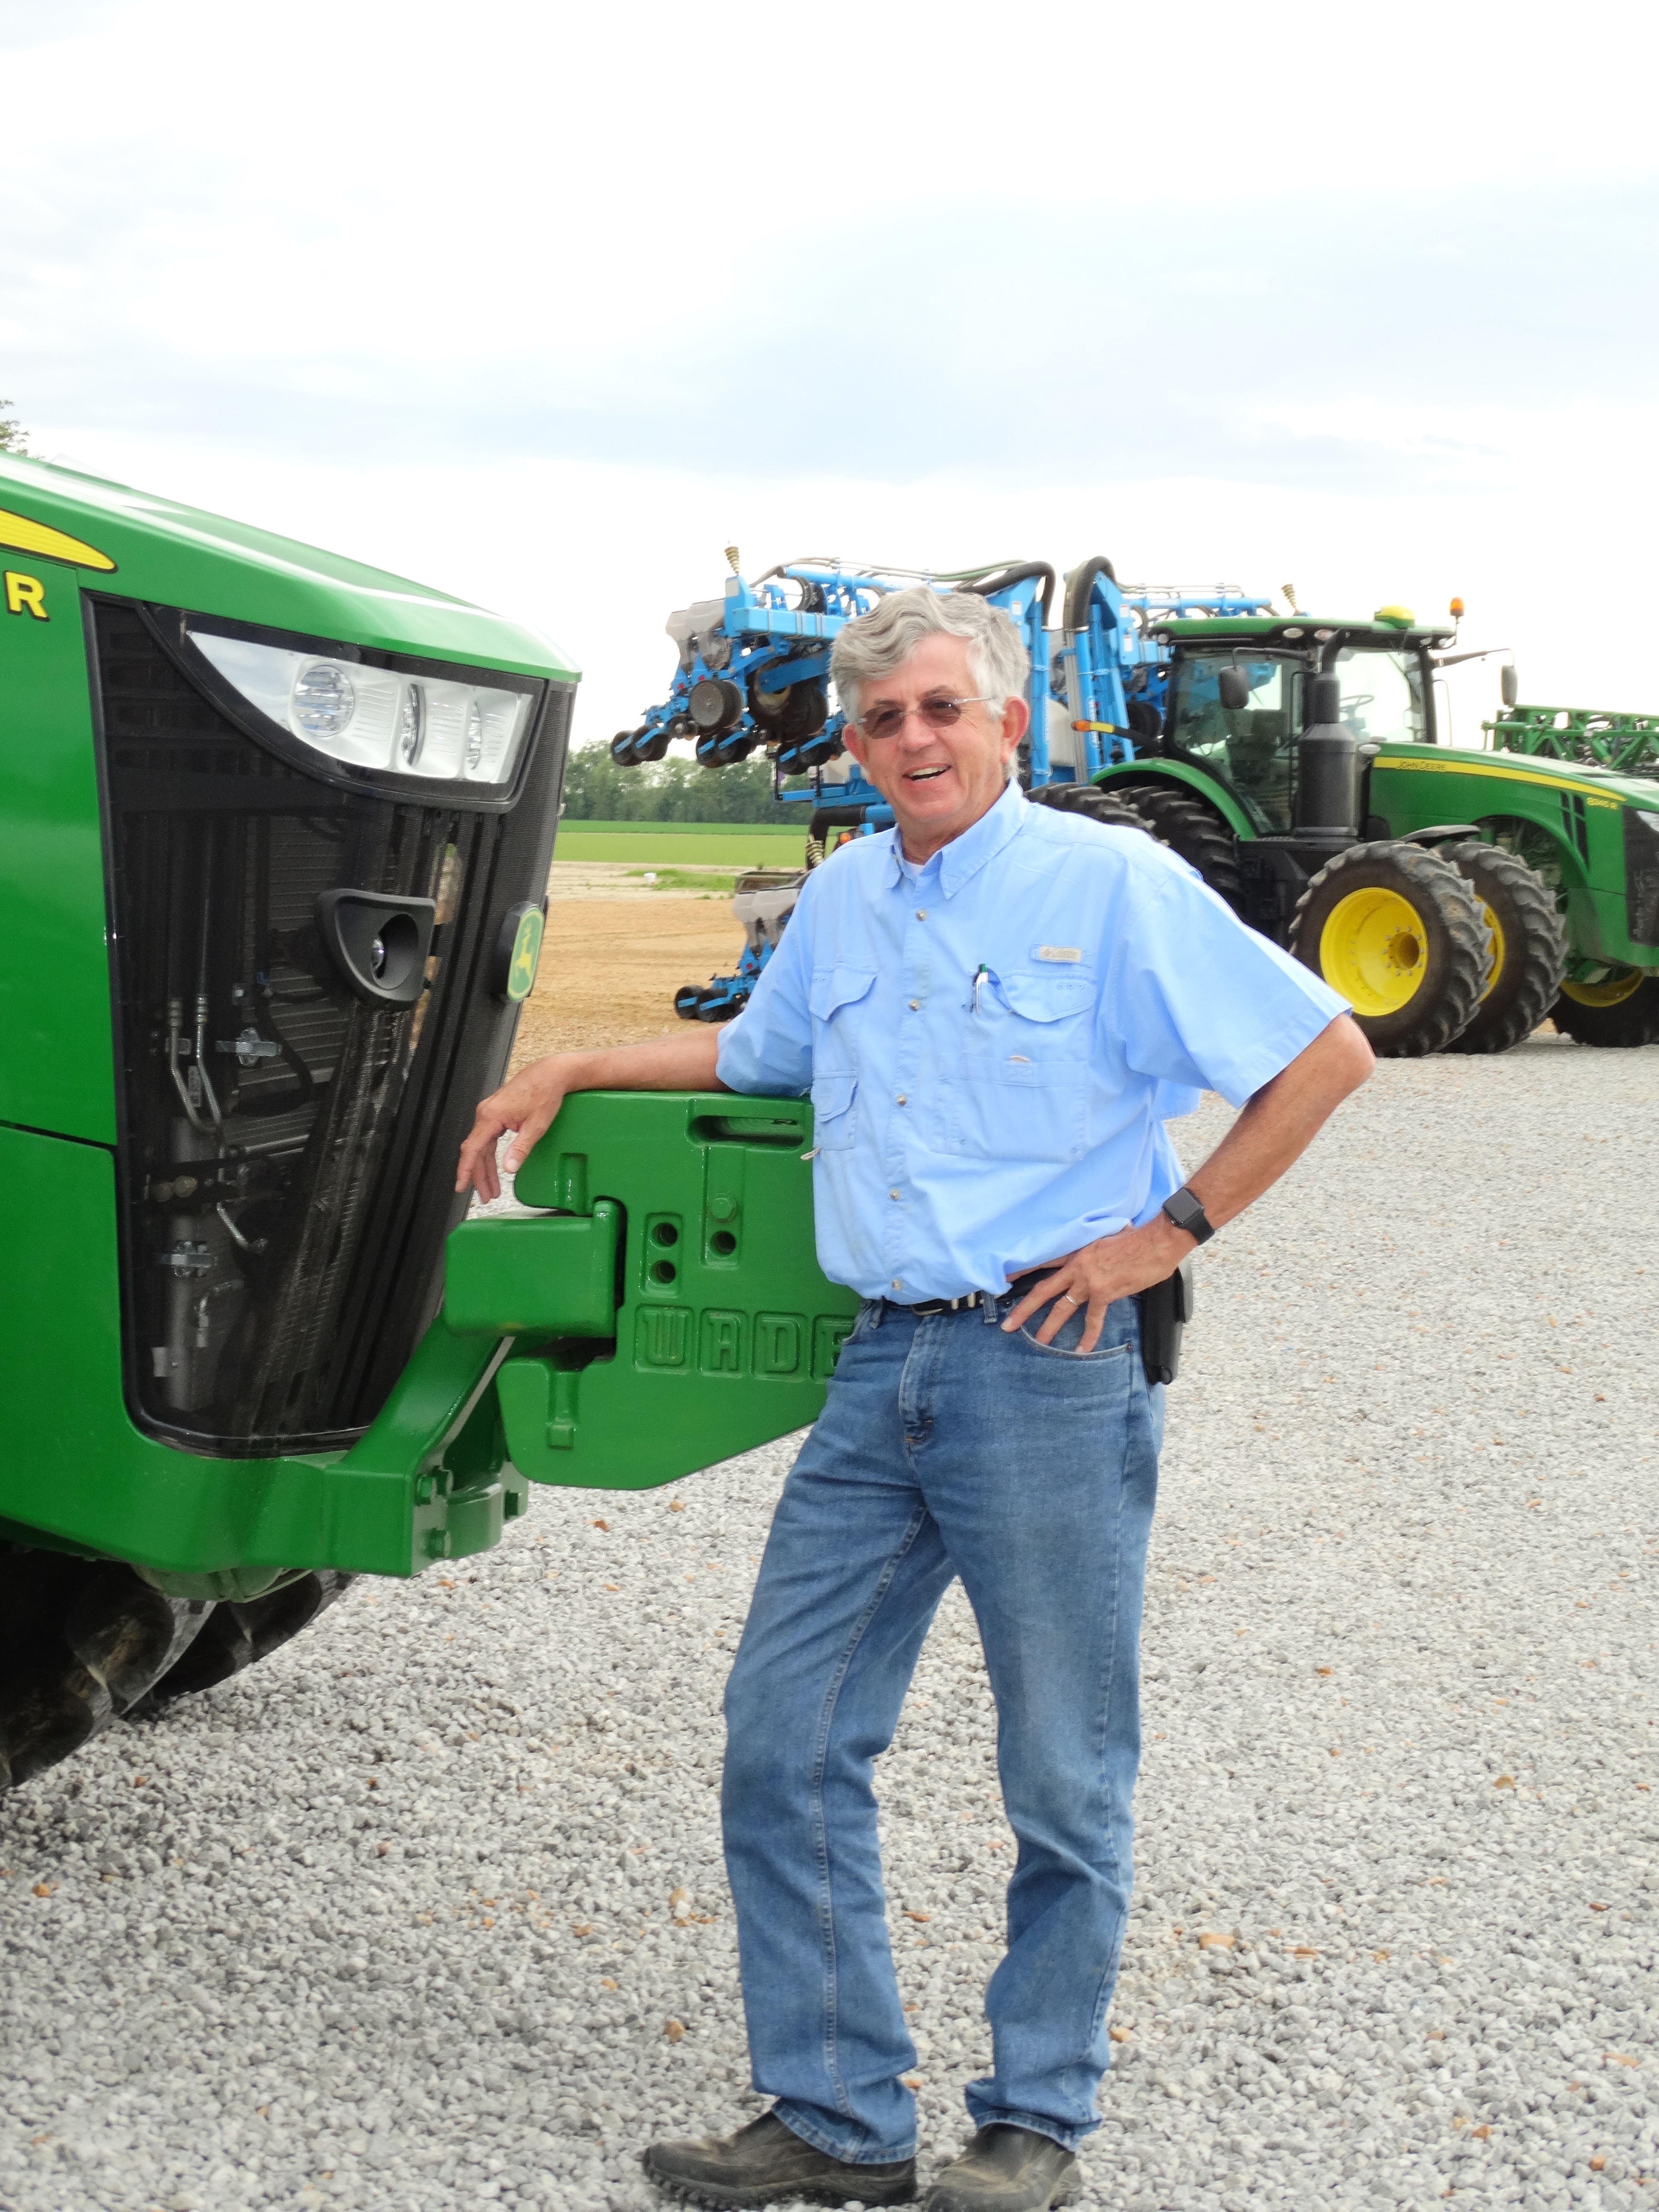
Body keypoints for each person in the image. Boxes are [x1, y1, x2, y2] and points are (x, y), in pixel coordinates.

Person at [457, 588, 1374, 2212]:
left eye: (942, 709)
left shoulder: (1114, 886)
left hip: (1049, 1363)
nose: (912, 741)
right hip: (885, 1365)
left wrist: (1170, 1230)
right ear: (856, 740)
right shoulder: (847, 904)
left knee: (1065, 1764)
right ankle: (839, 2116)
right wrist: (570, 1064)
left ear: (1011, 722)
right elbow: (758, 1059)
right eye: (881, 720)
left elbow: (1323, 1053)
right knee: (783, 1735)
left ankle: (1037, 2122)